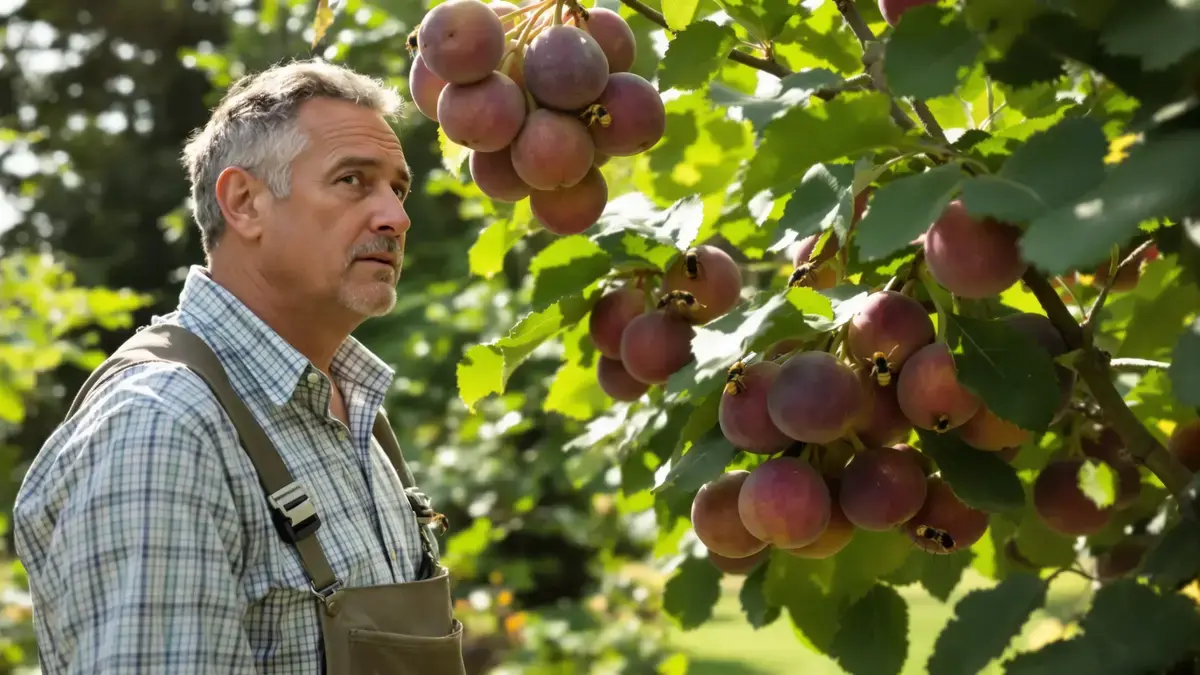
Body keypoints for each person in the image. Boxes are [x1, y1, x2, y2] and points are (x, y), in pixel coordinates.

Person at [13, 59, 466, 675]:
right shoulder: (164, 428)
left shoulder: (357, 413)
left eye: (398, 189)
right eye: (353, 180)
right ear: (245, 202)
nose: (396, 217)